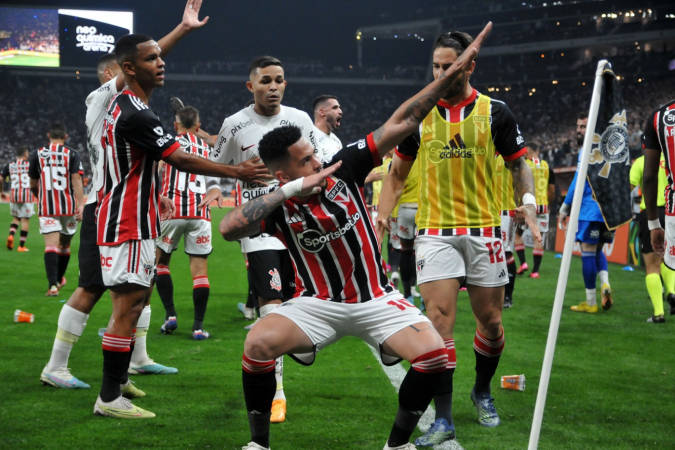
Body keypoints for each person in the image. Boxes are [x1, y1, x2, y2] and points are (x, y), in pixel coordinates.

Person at [219, 22, 492, 450]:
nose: (317, 162)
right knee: (256, 343)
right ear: (283, 174)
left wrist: (445, 77)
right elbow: (228, 228)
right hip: (318, 303)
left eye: (314, 154)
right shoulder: (281, 203)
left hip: (375, 297)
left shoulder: (344, 166)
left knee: (435, 354)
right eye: (307, 161)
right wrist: (288, 192)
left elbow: (402, 120)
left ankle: (396, 444)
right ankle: (259, 444)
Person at [93, 33, 270, 419]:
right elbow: (180, 159)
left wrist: (184, 29)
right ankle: (108, 398)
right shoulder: (137, 113)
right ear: (128, 69)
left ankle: (119, 380)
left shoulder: (120, 102)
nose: (161, 63)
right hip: (127, 222)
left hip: (130, 215)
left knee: (135, 302)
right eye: (152, 59)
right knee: (127, 307)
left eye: (161, 56)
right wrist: (237, 170)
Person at [376, 30, 540, 446]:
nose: (441, 72)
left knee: (491, 322)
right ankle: (444, 418)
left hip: (485, 231)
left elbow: (520, 165)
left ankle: (482, 390)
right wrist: (380, 218)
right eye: (436, 65)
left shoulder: (495, 112)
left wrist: (529, 201)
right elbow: (396, 174)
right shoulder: (419, 115)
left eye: (449, 64)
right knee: (438, 324)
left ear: (469, 65)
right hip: (436, 234)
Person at [40, 0, 214, 390]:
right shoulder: (102, 101)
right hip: (105, 206)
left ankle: (136, 360)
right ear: (112, 74)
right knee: (92, 286)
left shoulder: (128, 102)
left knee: (141, 283)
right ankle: (56, 365)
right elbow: (142, 63)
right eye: (120, 71)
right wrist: (181, 31)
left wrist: (155, 193)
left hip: (134, 206)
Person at [203, 55, 319, 424]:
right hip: (260, 228)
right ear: (250, 86)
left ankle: (303, 339)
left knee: (297, 302)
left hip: (299, 226)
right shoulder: (235, 124)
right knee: (271, 305)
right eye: (266, 80)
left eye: (279, 80)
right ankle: (278, 393)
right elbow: (214, 165)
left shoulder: (300, 120)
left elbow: (322, 162)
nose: (273, 86)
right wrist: (216, 187)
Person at [155, 105, 214, 340]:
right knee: (200, 273)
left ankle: (170, 315)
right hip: (201, 213)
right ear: (198, 126)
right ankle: (198, 328)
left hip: (172, 211)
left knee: (160, 264)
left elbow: (154, 170)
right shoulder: (208, 147)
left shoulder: (168, 142)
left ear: (174, 125)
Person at [558, 112, 614, 313]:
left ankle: (590, 303)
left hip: (590, 210)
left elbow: (578, 182)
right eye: (578, 126)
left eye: (583, 126)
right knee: (598, 250)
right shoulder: (608, 149)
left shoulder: (587, 150)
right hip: (607, 211)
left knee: (588, 253)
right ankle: (605, 284)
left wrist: (565, 207)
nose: (578, 130)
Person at [28, 122, 84, 297]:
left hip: (48, 208)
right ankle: (59, 279)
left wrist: (40, 197)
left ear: (48, 136)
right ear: (66, 137)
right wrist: (80, 204)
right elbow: (76, 180)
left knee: (51, 246)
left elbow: (32, 183)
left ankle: (52, 286)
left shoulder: (36, 154)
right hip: (69, 208)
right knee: (65, 245)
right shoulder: (72, 154)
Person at [630, 152, 675, 323]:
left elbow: (630, 185)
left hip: (651, 214)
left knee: (652, 265)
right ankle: (671, 291)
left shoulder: (641, 162)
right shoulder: (672, 159)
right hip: (672, 212)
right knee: (669, 258)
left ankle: (658, 313)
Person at [641, 98, 675, 322]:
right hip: (668, 209)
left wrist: (653, 223)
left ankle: (658, 311)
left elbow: (647, 177)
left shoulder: (659, 117)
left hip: (667, 210)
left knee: (654, 263)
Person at [514, 142, 556, 278]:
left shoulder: (524, 166)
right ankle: (535, 271)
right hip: (542, 207)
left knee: (517, 235)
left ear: (526, 152)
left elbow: (519, 187)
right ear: (538, 152)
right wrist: (548, 205)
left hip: (527, 206)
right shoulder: (547, 167)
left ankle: (523, 263)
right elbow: (552, 191)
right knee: (538, 239)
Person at [493, 154, 518, 308]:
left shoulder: (507, 156)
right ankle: (495, 293)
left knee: (505, 252)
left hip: (505, 211)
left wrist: (522, 206)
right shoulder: (486, 153)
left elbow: (521, 179)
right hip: (488, 211)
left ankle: (508, 296)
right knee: (490, 252)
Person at [1, 146, 34, 252]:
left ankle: (11, 235)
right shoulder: (29, 165)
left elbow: (0, 179)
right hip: (26, 196)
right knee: (25, 220)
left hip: (14, 195)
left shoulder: (9, 165)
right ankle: (21, 246)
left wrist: (1, 191)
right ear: (25, 154)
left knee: (16, 218)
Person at [312, 95, 342, 163]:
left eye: (339, 108)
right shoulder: (310, 136)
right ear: (322, 112)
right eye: (335, 108)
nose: (340, 111)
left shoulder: (336, 140)